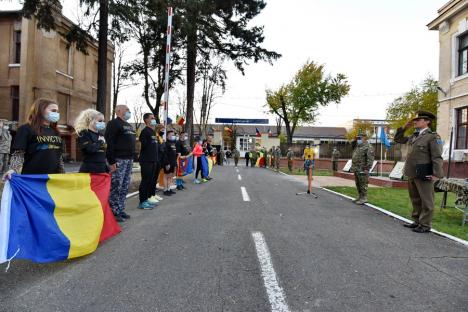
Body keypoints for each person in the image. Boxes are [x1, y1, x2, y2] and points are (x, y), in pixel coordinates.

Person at [394, 111, 444, 233]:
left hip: (424, 172)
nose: (415, 121)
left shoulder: (433, 137)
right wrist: (405, 126)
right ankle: (417, 221)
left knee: (427, 200)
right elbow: (398, 139)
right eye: (415, 120)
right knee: (415, 198)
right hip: (412, 172)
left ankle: (425, 225)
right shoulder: (414, 136)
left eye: (418, 119)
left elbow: (437, 157)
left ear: (427, 121)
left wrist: (437, 174)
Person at [3, 98, 64, 181]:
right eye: (53, 111)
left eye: (57, 111)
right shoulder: (26, 129)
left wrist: (62, 175)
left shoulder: (55, 131)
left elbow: (59, 156)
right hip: (31, 178)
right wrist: (13, 170)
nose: (56, 114)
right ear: (40, 110)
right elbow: (19, 154)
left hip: (52, 179)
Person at [105, 104, 136, 222]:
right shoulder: (113, 123)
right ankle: (113, 211)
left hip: (129, 159)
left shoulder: (128, 125)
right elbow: (110, 143)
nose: (129, 112)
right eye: (127, 110)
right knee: (116, 186)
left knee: (124, 185)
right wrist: (111, 161)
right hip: (118, 159)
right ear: (118, 111)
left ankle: (120, 209)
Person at [75, 109, 108, 173]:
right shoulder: (84, 133)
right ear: (91, 120)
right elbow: (90, 149)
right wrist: (100, 142)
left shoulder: (101, 135)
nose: (103, 123)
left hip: (102, 169)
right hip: (89, 169)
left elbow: (104, 152)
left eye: (103, 121)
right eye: (100, 121)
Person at [138, 113, 159, 209]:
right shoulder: (145, 132)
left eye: (154, 118)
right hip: (146, 160)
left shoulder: (153, 132)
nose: (154, 119)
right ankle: (142, 202)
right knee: (145, 181)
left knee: (150, 181)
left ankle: (146, 199)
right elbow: (142, 146)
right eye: (152, 118)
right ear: (146, 120)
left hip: (153, 160)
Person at [351, 131, 374, 205]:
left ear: (364, 138)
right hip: (356, 168)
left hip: (363, 169)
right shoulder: (358, 146)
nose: (358, 139)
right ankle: (360, 197)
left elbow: (370, 159)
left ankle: (364, 198)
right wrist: (354, 140)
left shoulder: (369, 147)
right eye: (358, 138)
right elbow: (352, 145)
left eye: (360, 138)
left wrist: (367, 168)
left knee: (363, 184)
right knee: (358, 183)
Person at [162, 130, 178, 195]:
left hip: (173, 162)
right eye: (171, 135)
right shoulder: (166, 143)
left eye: (173, 135)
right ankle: (165, 190)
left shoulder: (173, 143)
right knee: (166, 176)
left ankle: (169, 189)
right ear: (168, 135)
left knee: (170, 176)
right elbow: (165, 154)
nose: (173, 136)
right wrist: (167, 163)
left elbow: (174, 153)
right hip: (168, 163)